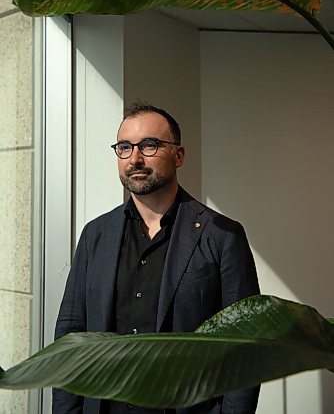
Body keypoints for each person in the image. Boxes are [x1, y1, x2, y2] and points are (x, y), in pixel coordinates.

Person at [53, 102, 260, 414]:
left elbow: (245, 347)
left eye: (149, 145)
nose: (135, 158)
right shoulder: (96, 234)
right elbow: (71, 334)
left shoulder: (222, 236)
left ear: (179, 155)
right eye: (124, 147)